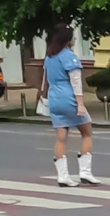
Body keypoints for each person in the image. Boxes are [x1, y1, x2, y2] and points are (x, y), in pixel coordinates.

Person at [40, 24, 95, 186]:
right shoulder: (69, 56)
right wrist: (80, 104)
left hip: (54, 99)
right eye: (72, 36)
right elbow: (76, 81)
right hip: (68, 97)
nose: (74, 39)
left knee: (60, 137)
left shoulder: (49, 57)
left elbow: (46, 81)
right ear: (67, 40)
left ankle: (62, 176)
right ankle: (85, 172)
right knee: (86, 132)